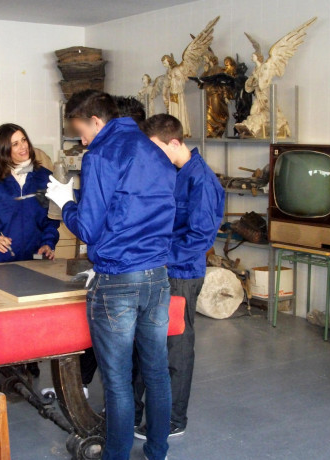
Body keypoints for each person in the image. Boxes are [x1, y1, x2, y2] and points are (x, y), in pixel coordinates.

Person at [46, 90, 177, 460]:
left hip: (118, 278)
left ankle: (115, 455)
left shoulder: (101, 154)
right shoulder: (155, 150)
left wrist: (66, 202)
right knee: (155, 372)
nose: (81, 140)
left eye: (80, 132)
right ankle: (157, 450)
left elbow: (88, 228)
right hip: (157, 276)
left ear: (96, 122)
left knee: (118, 381)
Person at [133, 113, 224, 439]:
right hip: (159, 271)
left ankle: (173, 419)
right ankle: (136, 410)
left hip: (181, 275)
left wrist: (157, 257)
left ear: (174, 143)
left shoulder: (201, 181)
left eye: (156, 149)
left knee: (176, 349)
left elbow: (199, 240)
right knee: (148, 344)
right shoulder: (174, 173)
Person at [0, 123, 59, 263]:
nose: (23, 146)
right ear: (4, 149)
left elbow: (50, 219)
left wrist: (48, 243)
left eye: (24, 140)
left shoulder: (44, 178)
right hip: (2, 258)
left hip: (36, 257)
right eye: (15, 144)